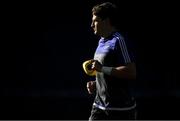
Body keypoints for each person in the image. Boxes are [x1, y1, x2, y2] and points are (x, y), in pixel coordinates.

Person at [86, 2, 137, 120]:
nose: (91, 25)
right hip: (99, 106)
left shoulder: (119, 40)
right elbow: (104, 71)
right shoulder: (101, 41)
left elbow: (131, 72)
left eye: (96, 21)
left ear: (106, 21)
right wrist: (97, 84)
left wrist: (102, 69)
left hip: (121, 109)